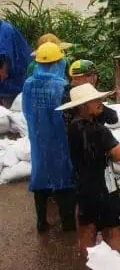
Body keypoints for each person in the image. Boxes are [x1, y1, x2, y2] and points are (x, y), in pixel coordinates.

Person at [57, 84, 120, 257]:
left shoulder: (72, 127)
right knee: (115, 233)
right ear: (83, 106)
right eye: (95, 100)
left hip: (84, 187)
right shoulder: (99, 131)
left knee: (86, 234)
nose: (100, 103)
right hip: (105, 189)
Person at [25, 42, 75, 232]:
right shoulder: (62, 86)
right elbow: (67, 116)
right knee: (63, 179)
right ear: (57, 62)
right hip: (59, 141)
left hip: (38, 139)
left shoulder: (28, 84)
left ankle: (41, 222)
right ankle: (68, 223)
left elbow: (26, 111)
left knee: (40, 176)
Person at [64, 60, 118, 126]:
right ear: (75, 78)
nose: (93, 78)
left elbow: (113, 118)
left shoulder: (87, 92)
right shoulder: (68, 95)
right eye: (88, 75)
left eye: (95, 74)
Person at [0, 21, 31, 108]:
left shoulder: (5, 30)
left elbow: (5, 55)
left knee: (10, 114)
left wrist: (3, 72)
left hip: (12, 86)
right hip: (9, 85)